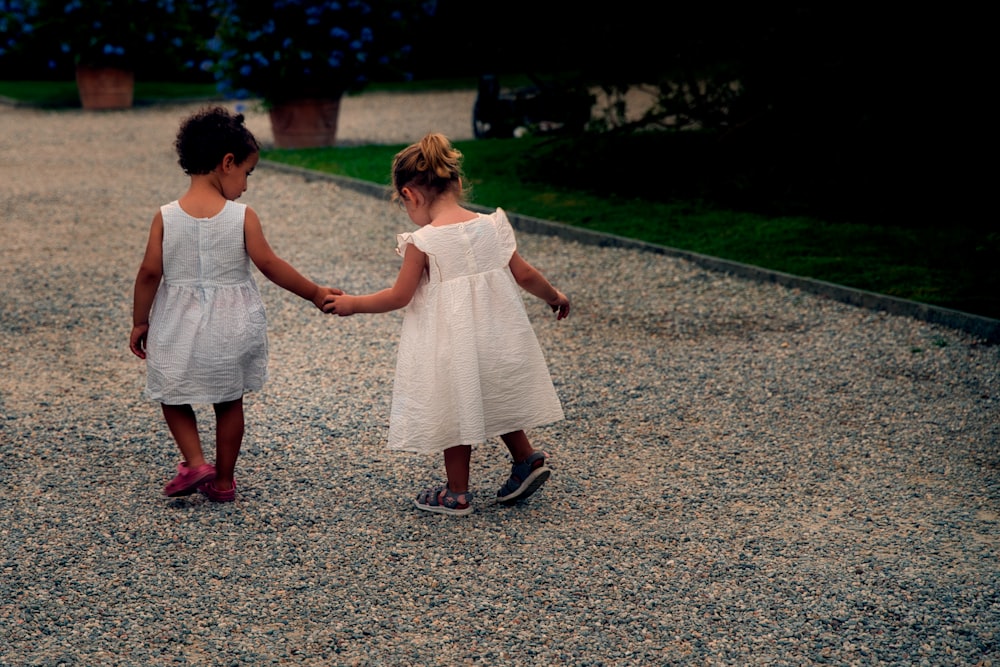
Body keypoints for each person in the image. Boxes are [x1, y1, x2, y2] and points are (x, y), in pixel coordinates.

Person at [323, 133, 570, 516]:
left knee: (457, 407)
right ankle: (526, 458)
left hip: (453, 344)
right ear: (455, 183)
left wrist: (353, 304)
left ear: (410, 195)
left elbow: (398, 296)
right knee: (493, 396)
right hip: (497, 336)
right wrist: (554, 296)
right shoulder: (492, 226)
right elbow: (524, 274)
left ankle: (457, 492)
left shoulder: (423, 241)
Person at [129, 106, 338, 503]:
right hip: (231, 324)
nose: (246, 184)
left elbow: (149, 274)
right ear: (227, 163)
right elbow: (270, 265)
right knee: (228, 402)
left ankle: (194, 461)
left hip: (177, 323)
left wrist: (141, 322)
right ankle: (223, 481)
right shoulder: (242, 216)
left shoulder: (165, 217)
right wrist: (314, 292)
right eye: (247, 172)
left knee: (172, 394)